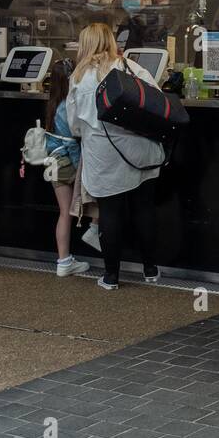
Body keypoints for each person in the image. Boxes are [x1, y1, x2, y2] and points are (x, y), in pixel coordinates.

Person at [67, 22, 164, 291]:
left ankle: (111, 276)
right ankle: (150, 270)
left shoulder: (80, 78)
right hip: (143, 151)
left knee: (111, 213)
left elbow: (74, 124)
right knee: (144, 208)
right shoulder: (133, 68)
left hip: (104, 155)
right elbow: (157, 103)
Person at [42, 59, 92, 278]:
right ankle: (95, 231)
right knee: (94, 198)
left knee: (64, 213)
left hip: (53, 162)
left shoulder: (52, 104)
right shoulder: (68, 106)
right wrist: (82, 165)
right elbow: (73, 141)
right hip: (68, 162)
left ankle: (63, 261)